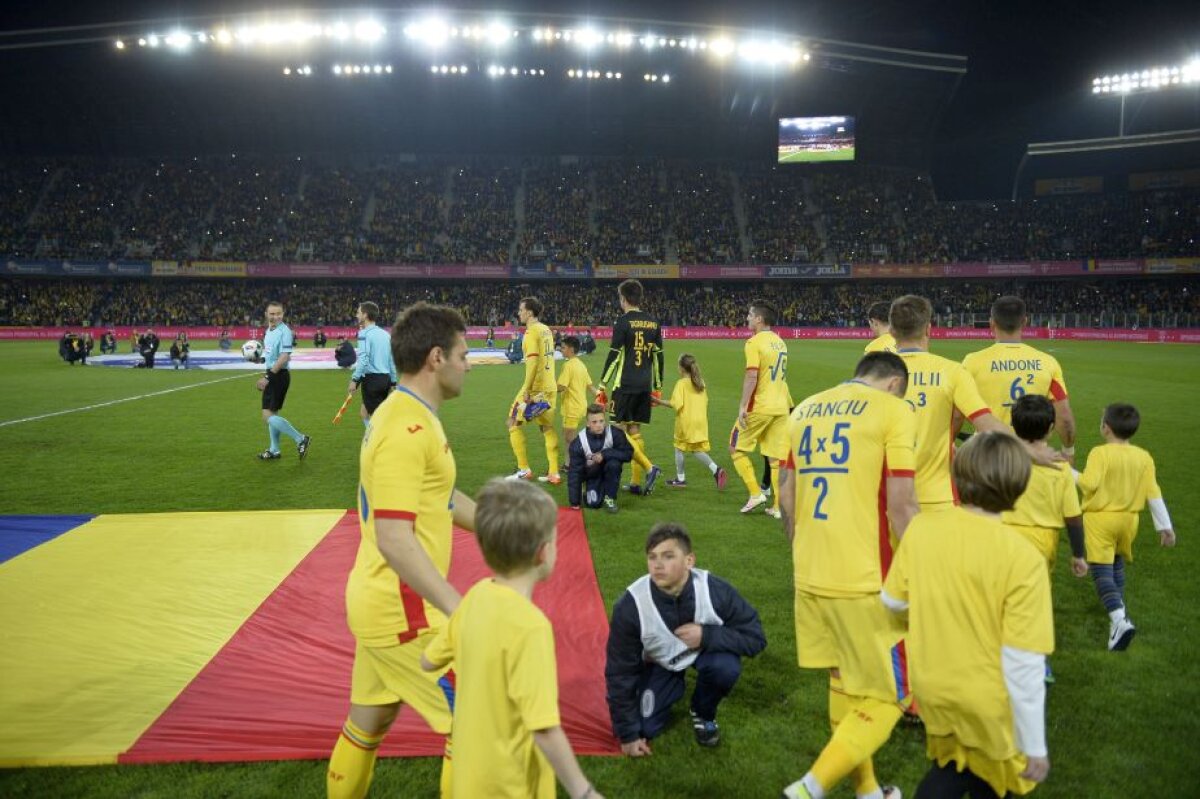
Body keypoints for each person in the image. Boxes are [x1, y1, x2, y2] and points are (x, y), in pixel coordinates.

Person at [327, 302, 477, 799]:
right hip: (403, 610)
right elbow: (394, 537)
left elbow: (437, 497)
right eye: (463, 353)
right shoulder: (405, 427)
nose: (468, 364)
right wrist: (454, 607)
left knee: (367, 723)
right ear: (437, 358)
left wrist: (500, 528)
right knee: (480, 724)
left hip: (382, 603)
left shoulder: (409, 415)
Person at [882, 432, 1054, 799]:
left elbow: (893, 602)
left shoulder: (923, 530)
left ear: (957, 475)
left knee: (952, 768)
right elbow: (1024, 660)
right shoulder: (1022, 558)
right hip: (989, 701)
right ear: (1019, 486)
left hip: (933, 689)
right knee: (996, 783)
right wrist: (1035, 743)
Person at [779, 352, 919, 799]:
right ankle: (810, 787)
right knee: (894, 694)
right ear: (895, 383)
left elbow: (786, 495)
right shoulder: (895, 410)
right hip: (867, 579)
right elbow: (901, 507)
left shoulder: (804, 409)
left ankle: (868, 790)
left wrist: (801, 552)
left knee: (843, 682)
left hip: (811, 571)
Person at [422, 479, 604, 799]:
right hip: (510, 782)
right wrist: (583, 790)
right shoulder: (530, 626)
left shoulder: (474, 598)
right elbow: (544, 727)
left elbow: (429, 660)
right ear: (542, 553)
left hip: (469, 773)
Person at [605, 523, 765, 755]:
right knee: (646, 727)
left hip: (705, 652)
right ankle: (671, 683)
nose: (658, 565)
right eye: (652, 557)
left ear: (689, 561)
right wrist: (628, 733)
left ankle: (703, 711)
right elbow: (619, 672)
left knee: (725, 667)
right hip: (660, 661)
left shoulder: (715, 590)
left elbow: (755, 638)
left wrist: (706, 635)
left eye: (668, 556)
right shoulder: (631, 605)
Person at [889, 295, 1012, 512]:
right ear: (929, 329)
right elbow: (986, 425)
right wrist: (1033, 448)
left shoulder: (876, 375)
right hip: (938, 497)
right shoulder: (952, 371)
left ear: (892, 332)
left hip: (889, 498)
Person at [1077, 403, 1176, 651]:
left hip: (1100, 520)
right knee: (1117, 563)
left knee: (1101, 572)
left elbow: (1088, 484)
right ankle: (1118, 624)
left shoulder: (1100, 453)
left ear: (1106, 428)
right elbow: (1153, 493)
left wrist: (1066, 471)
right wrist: (1165, 526)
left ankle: (1118, 618)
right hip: (1129, 521)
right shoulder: (1144, 457)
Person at [961, 296, 1075, 457]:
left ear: (992, 323)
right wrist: (1068, 450)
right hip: (1033, 456)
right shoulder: (1048, 363)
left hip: (987, 455)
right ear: (1025, 322)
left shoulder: (972, 362)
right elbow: (1064, 418)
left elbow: (957, 415)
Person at [598, 279, 663, 495]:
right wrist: (657, 386)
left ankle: (649, 468)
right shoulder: (653, 322)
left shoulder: (623, 322)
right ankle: (635, 483)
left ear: (623, 299)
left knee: (616, 432)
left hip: (624, 385)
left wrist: (602, 385)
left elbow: (614, 356)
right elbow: (657, 358)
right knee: (635, 431)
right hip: (644, 386)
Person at [729, 300, 790, 518]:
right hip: (781, 407)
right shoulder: (780, 342)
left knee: (735, 448)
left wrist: (743, 405)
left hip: (761, 406)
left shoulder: (754, 342)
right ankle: (777, 507)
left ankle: (755, 493)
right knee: (775, 458)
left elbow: (752, 375)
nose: (746, 317)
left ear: (759, 319)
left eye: (749, 314)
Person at [505, 297, 561, 484]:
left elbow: (533, 362)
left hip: (535, 389)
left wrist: (527, 390)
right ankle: (554, 472)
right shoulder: (546, 330)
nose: (519, 313)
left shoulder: (531, 333)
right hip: (550, 387)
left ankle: (524, 469)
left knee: (513, 422)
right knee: (547, 427)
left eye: (521, 310)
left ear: (529, 312)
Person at [653, 353, 727, 489]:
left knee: (678, 447)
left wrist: (658, 401)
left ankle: (681, 479)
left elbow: (675, 404)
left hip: (686, 421)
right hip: (700, 420)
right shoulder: (700, 382)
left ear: (681, 368)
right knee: (696, 449)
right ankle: (716, 470)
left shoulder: (681, 383)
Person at [254, 301, 310, 460]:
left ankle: (301, 439)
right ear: (266, 314)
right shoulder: (269, 330)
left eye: (278, 313)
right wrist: (259, 360)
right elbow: (270, 354)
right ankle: (274, 449)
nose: (275, 316)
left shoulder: (285, 331)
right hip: (273, 373)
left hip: (278, 375)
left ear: (283, 314)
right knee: (272, 414)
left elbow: (285, 356)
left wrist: (267, 377)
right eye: (272, 313)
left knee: (267, 416)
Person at [567, 404, 633, 513]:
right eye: (594, 422)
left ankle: (610, 498)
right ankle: (591, 487)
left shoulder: (615, 434)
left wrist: (605, 454)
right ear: (588, 423)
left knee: (614, 464)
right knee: (593, 505)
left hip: (610, 469)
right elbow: (574, 473)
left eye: (601, 421)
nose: (599, 425)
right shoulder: (579, 443)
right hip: (591, 474)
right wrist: (575, 503)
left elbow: (628, 454)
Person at [348, 301, 398, 426]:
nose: (356, 315)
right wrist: (393, 381)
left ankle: (379, 443)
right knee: (364, 413)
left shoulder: (364, 334)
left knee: (377, 419)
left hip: (372, 381)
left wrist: (354, 379)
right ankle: (371, 441)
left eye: (358, 313)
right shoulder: (385, 334)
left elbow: (364, 360)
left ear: (365, 315)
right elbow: (391, 360)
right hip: (385, 380)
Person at [554, 335, 598, 476]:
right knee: (569, 438)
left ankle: (578, 464)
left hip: (571, 407)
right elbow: (590, 386)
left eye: (563, 347)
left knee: (570, 439)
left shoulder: (568, 366)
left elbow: (561, 387)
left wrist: (546, 389)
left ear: (571, 349)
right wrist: (600, 397)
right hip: (580, 405)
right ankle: (569, 465)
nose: (561, 349)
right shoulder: (581, 364)